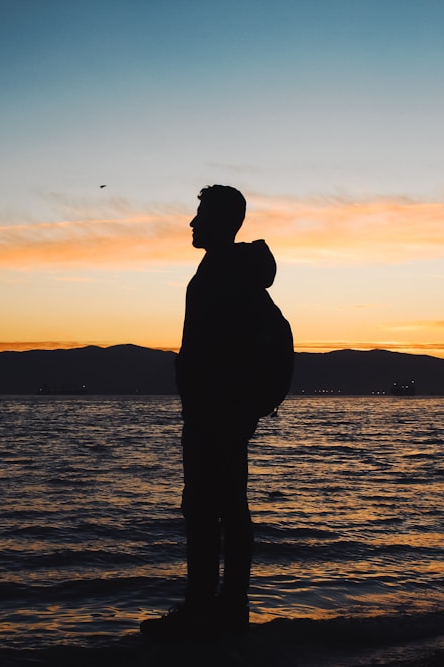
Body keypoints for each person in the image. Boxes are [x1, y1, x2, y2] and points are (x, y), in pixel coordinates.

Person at [141, 185, 280, 639]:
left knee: (209, 507)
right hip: (216, 409)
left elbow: (226, 347)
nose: (192, 222)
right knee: (217, 506)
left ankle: (212, 610)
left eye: (200, 214)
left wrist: (214, 392)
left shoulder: (228, 272)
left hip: (218, 410)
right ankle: (219, 607)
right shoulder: (225, 268)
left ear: (222, 220)